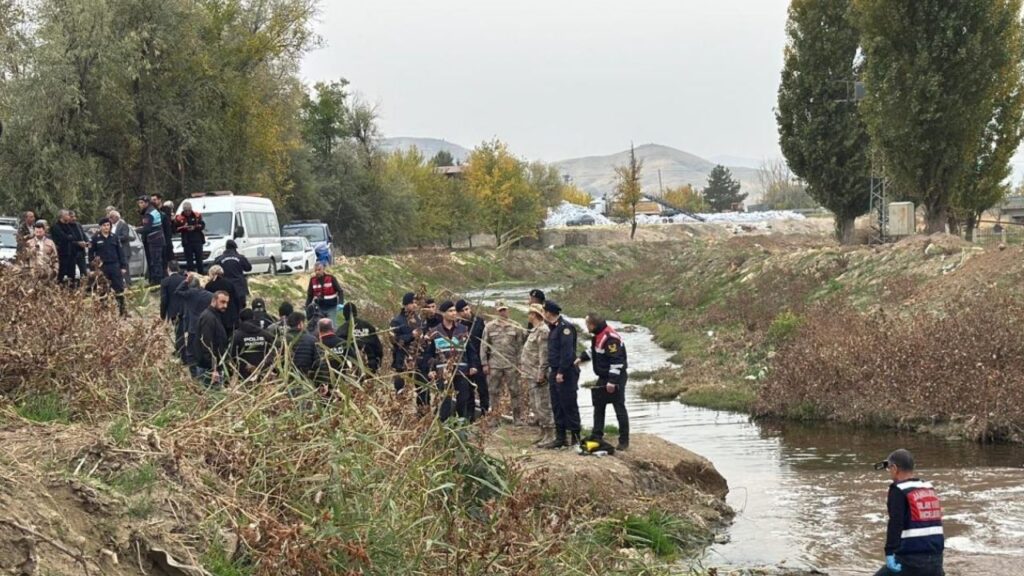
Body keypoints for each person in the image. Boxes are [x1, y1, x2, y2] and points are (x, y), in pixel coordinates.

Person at [873, 449, 944, 576]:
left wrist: (889, 552)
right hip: (936, 559)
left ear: (894, 468)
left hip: (910, 561)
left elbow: (895, 522)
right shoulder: (928, 487)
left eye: (889, 468)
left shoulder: (898, 490)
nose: (889, 472)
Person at [577, 313, 630, 450]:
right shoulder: (599, 335)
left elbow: (617, 361)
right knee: (599, 405)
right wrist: (582, 357)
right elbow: (594, 350)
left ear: (592, 325)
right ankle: (597, 435)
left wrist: (612, 382)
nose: (586, 327)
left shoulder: (610, 339)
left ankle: (624, 441)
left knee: (619, 407)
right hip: (603, 376)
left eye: (587, 324)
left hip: (616, 377)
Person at [421, 300, 475, 421]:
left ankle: (462, 428)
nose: (453, 313)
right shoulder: (434, 332)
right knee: (445, 401)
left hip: (461, 370)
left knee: (463, 400)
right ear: (443, 313)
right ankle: (445, 428)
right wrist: (431, 369)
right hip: (443, 372)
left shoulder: (463, 329)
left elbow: (470, 350)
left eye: (455, 310)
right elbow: (429, 354)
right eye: (450, 311)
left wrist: (473, 365)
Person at [542, 301, 581, 449]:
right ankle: (560, 437)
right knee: (557, 405)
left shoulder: (565, 328)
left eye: (544, 312)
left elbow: (567, 353)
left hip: (566, 373)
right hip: (555, 371)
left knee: (569, 404)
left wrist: (561, 372)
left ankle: (576, 438)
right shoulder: (553, 328)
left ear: (549, 313)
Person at [481, 301, 526, 421]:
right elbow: (484, 346)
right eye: (500, 310)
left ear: (508, 310)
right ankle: (494, 418)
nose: (503, 312)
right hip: (494, 365)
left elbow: (521, 346)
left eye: (504, 310)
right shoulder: (489, 327)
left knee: (515, 391)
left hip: (511, 364)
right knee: (493, 392)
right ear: (496, 311)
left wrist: (520, 363)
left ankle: (517, 418)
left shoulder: (516, 326)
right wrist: (484, 363)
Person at [520, 303, 553, 444]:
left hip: (538, 375)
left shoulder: (543, 331)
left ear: (534, 315)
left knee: (542, 404)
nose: (528, 316)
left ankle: (550, 433)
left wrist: (541, 373)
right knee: (535, 404)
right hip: (530, 374)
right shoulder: (535, 330)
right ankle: (542, 432)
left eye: (529, 313)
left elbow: (543, 354)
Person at [390, 292, 426, 403]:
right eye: (412, 303)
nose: (415, 305)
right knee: (401, 387)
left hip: (417, 357)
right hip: (402, 359)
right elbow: (395, 340)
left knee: (421, 388)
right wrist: (411, 335)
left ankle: (421, 412)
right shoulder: (397, 321)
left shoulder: (418, 320)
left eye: (416, 303)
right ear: (405, 304)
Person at [87, 218, 128, 316]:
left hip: (114, 266)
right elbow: (91, 255)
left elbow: (121, 253)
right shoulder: (95, 238)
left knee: (119, 289)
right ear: (100, 227)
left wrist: (123, 266)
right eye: (104, 225)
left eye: (108, 225)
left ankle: (122, 311)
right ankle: (104, 312)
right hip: (102, 268)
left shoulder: (114, 237)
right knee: (102, 290)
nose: (106, 227)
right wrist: (93, 268)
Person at [175, 273, 214, 375]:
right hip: (206, 325)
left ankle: (194, 373)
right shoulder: (209, 295)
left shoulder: (190, 294)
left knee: (191, 351)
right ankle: (206, 371)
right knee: (206, 349)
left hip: (193, 326)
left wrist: (186, 281)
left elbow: (177, 291)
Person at [457, 299, 488, 414]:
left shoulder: (479, 322)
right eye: (462, 311)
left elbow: (486, 342)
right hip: (467, 361)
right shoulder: (459, 326)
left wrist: (486, 361)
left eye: (466, 309)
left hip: (480, 359)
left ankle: (485, 411)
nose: (465, 312)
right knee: (468, 389)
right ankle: (470, 414)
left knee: (483, 388)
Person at [229, 308, 277, 380]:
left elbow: (232, 356)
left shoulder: (237, 336)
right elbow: (273, 352)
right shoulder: (266, 335)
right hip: (263, 377)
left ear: (240, 320)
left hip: (243, 377)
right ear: (254, 318)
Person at [337, 302, 383, 374]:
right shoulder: (368, 326)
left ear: (344, 315)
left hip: (351, 368)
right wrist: (378, 364)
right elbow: (378, 348)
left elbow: (338, 351)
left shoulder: (342, 330)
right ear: (356, 312)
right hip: (370, 365)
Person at [197, 290, 231, 388]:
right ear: (214, 300)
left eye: (227, 303)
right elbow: (207, 345)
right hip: (209, 369)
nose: (225, 306)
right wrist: (213, 369)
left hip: (213, 367)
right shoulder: (208, 318)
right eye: (222, 302)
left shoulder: (215, 316)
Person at [213, 240, 252, 311]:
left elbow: (213, 270)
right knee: (241, 309)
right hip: (239, 288)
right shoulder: (240, 258)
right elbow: (248, 268)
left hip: (225, 288)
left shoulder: (219, 259)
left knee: (227, 309)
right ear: (235, 248)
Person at [160, 262, 188, 360]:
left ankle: (182, 355)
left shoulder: (165, 282)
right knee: (182, 332)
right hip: (185, 309)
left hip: (173, 311)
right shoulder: (184, 280)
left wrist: (163, 315)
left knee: (179, 333)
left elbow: (164, 300)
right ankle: (179, 350)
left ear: (168, 269)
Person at [136, 196, 166, 284]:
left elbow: (147, 229)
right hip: (158, 238)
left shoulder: (149, 213)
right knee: (157, 261)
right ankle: (157, 281)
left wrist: (136, 230)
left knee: (155, 262)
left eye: (141, 203)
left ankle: (158, 283)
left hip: (154, 240)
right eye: (139, 203)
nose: (140, 205)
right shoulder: (153, 210)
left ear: (146, 203)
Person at [204, 265, 239, 335]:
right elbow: (237, 299)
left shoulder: (209, 286)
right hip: (230, 316)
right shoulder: (229, 283)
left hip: (217, 317)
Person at [285, 311, 320, 379]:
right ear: (301, 323)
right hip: (306, 379)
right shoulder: (312, 340)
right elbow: (318, 361)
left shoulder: (282, 339)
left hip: (287, 378)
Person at [174, 201, 206, 273]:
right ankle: (190, 275)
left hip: (197, 241)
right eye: (186, 211)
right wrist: (184, 228)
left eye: (189, 210)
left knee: (199, 260)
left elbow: (202, 225)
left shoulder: (197, 216)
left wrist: (194, 227)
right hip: (187, 242)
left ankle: (201, 274)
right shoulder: (179, 218)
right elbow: (175, 229)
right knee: (189, 262)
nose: (187, 212)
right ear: (183, 210)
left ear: (191, 209)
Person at [108, 210, 133, 283]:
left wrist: (114, 238)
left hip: (124, 250)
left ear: (116, 217)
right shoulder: (112, 226)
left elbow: (125, 236)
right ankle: (119, 283)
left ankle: (129, 283)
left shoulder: (123, 224)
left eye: (111, 217)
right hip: (116, 251)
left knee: (125, 268)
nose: (109, 219)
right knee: (118, 268)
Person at [68, 211, 90, 282]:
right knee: (71, 274)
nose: (74, 218)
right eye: (72, 217)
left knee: (84, 272)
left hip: (81, 252)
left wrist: (87, 242)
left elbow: (83, 235)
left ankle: (84, 287)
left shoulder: (78, 225)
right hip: (71, 254)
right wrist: (78, 243)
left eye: (74, 216)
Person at [160, 200, 175, 271]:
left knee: (169, 258)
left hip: (168, 239)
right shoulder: (164, 216)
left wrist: (173, 221)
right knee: (168, 257)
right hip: (166, 239)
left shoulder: (171, 216)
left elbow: (174, 229)